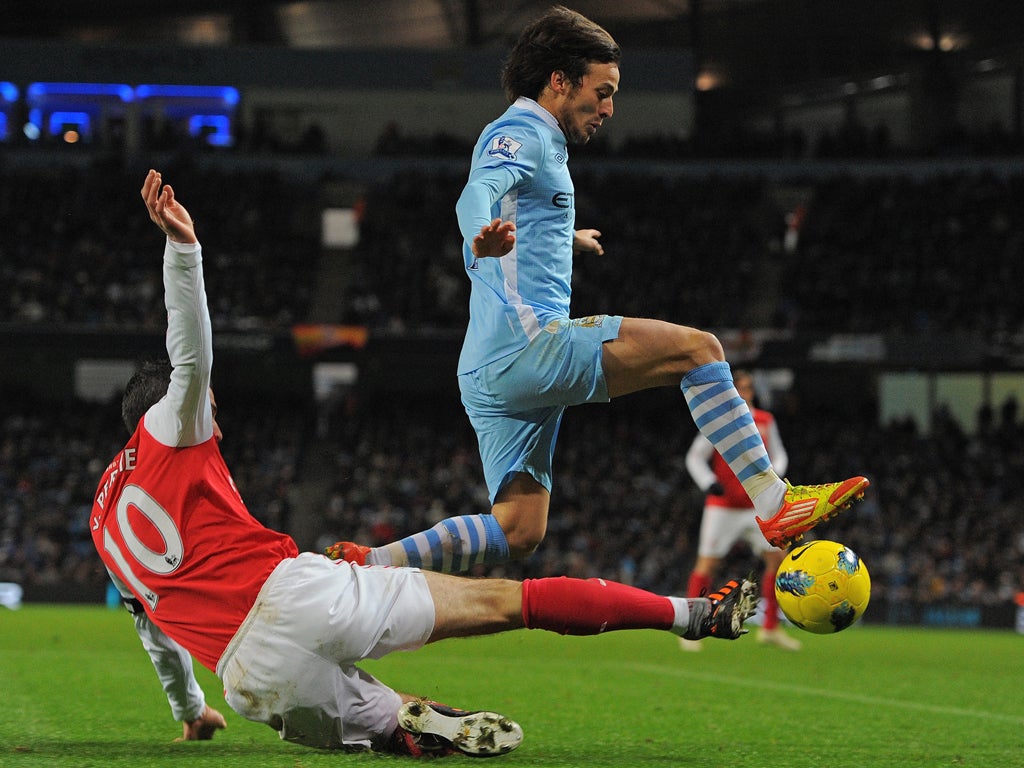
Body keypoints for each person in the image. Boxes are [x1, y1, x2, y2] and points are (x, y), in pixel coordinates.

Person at [91, 169, 761, 755]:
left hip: (245, 678)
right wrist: (184, 249)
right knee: (511, 603)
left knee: (390, 724)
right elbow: (191, 358)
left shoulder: (103, 522)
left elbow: (152, 629)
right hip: (295, 595)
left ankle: (408, 720)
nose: (213, 409)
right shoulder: (169, 425)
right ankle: (692, 615)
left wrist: (189, 710)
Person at [327, 5, 868, 573]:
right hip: (527, 347)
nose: (610, 109)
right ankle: (777, 503)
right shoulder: (519, 132)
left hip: (487, 370)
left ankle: (370, 562)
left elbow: (522, 212)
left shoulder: (546, 140)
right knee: (699, 350)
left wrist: (565, 237)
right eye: (602, 91)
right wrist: (477, 238)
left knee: (519, 529)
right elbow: (475, 195)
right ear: (559, 81)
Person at [679, 370, 801, 652]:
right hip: (723, 507)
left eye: (747, 386)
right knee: (707, 565)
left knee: (777, 560)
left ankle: (770, 628)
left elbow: (778, 454)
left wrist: (773, 476)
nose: (744, 391)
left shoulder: (765, 420)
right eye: (739, 387)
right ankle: (690, 628)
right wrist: (708, 483)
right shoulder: (719, 420)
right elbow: (695, 457)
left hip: (756, 506)